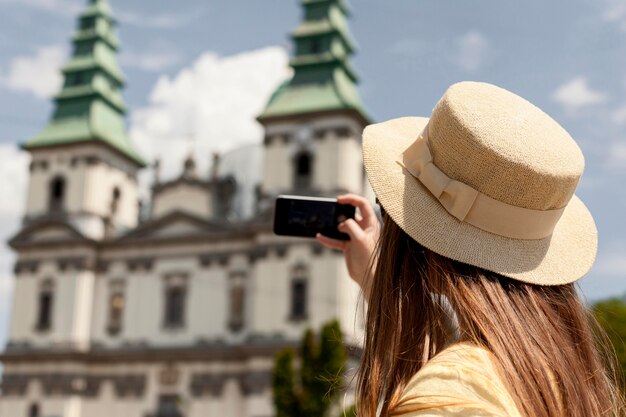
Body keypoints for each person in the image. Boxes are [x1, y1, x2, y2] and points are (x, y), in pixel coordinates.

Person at [316, 82, 625, 417]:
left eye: (385, 205)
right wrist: (379, 283)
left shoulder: (449, 395)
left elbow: (450, 385)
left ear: (422, 244)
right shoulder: (561, 377)